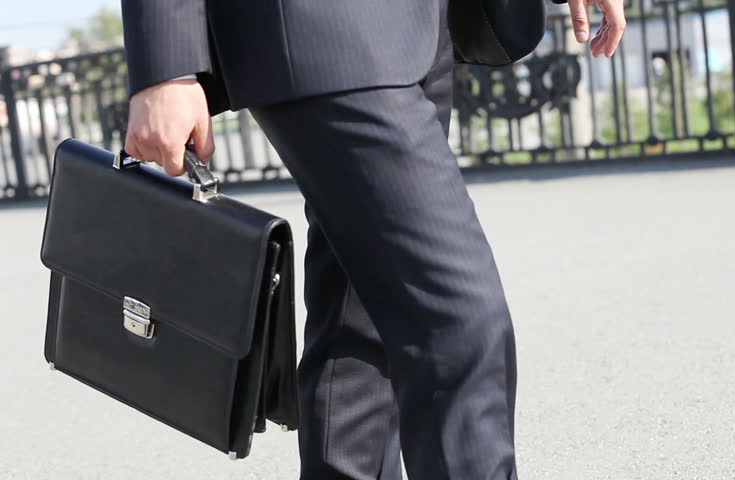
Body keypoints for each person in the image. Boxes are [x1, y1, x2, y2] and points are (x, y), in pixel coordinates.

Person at [119, 0, 626, 478]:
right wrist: (167, 66)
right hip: (315, 24)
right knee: (458, 318)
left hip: (423, 28)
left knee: (362, 330)